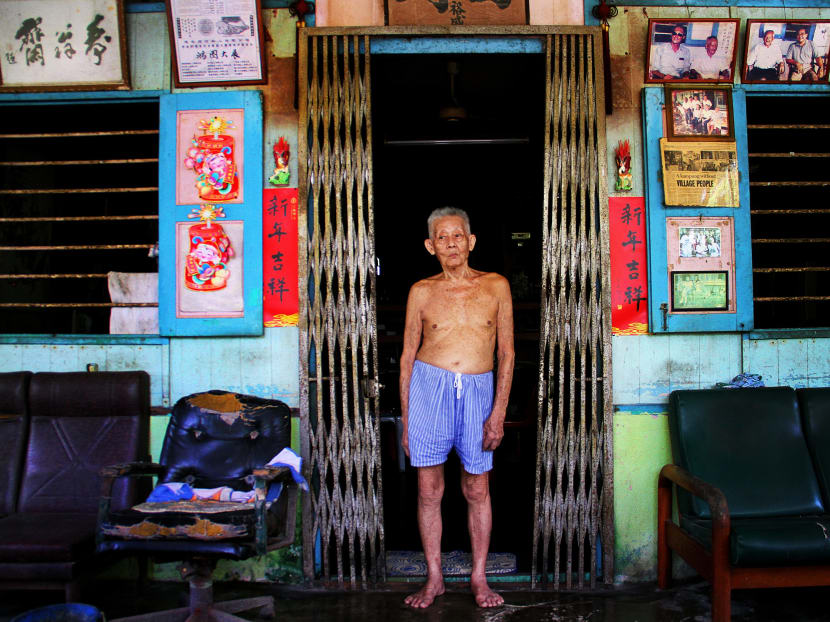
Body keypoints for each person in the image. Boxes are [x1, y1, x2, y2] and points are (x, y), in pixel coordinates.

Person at [400, 207, 514, 609]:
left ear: (471, 241)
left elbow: (507, 352)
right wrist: (407, 422)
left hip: (479, 389)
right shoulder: (421, 291)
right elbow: (407, 356)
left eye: (458, 235)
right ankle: (434, 578)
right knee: (429, 489)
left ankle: (478, 578)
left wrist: (498, 412)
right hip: (428, 388)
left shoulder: (496, 285)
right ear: (431, 245)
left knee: (476, 487)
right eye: (442, 237)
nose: (451, 243)